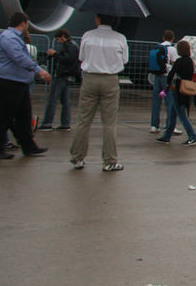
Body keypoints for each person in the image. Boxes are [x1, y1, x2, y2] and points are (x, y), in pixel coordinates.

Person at [68, 14, 129, 171]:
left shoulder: (88, 35)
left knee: (83, 120)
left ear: (98, 19)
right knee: (109, 123)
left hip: (90, 78)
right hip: (110, 79)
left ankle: (77, 158)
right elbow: (125, 60)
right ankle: (109, 160)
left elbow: (82, 57)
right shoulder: (120, 38)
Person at [0, 12, 51, 159]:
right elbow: (19, 58)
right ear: (23, 23)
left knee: (23, 116)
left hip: (17, 82)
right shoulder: (9, 38)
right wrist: (39, 70)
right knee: (3, 116)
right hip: (8, 82)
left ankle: (29, 146)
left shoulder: (13, 38)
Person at [154, 40, 196, 146]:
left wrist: (168, 84)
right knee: (173, 114)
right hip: (185, 89)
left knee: (181, 115)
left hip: (177, 90)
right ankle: (167, 136)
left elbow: (171, 74)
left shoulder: (179, 61)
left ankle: (192, 136)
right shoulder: (190, 61)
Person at [38, 29, 80, 132]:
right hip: (68, 75)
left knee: (52, 98)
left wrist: (54, 54)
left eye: (58, 39)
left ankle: (47, 123)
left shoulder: (69, 46)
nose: (58, 41)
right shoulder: (73, 45)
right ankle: (65, 124)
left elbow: (67, 59)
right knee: (65, 101)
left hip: (62, 75)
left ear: (63, 36)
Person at [149, 30, 178, 134]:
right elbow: (174, 62)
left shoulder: (157, 47)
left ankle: (154, 125)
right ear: (172, 38)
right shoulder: (172, 49)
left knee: (156, 101)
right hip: (167, 77)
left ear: (163, 38)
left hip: (157, 76)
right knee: (170, 102)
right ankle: (169, 126)